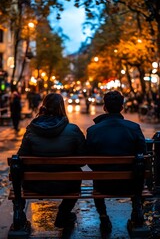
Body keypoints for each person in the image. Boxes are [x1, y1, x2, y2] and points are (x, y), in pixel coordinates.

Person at [17, 92, 86, 228]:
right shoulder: (73, 129)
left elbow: (20, 159)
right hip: (67, 185)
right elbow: (83, 159)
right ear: (62, 107)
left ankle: (19, 216)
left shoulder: (32, 129)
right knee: (76, 172)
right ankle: (63, 213)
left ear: (44, 107)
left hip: (35, 184)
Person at [86, 90, 146, 233]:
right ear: (122, 107)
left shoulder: (93, 130)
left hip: (102, 185)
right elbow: (143, 154)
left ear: (104, 108)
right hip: (130, 184)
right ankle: (136, 211)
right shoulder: (134, 128)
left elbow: (89, 160)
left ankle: (103, 216)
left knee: (97, 174)